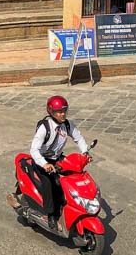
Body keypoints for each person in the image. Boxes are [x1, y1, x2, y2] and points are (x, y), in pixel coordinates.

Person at [10, 96, 90, 228]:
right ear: (51, 112)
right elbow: (34, 150)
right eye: (59, 111)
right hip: (42, 160)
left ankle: (71, 206)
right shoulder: (45, 127)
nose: (62, 114)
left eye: (64, 110)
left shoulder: (67, 124)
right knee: (50, 184)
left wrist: (85, 152)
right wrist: (44, 164)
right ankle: (51, 215)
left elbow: (79, 138)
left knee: (71, 179)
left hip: (57, 158)